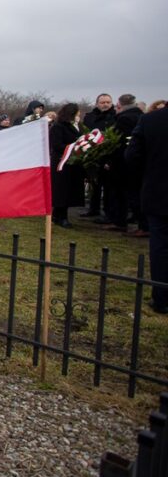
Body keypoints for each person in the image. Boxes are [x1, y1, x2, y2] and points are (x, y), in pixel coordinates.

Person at [125, 105, 168, 313]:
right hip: (158, 193)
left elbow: (133, 156)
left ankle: (162, 298)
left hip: (159, 191)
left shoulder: (151, 120)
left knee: (161, 246)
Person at [103, 94, 143, 234]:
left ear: (119, 105)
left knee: (122, 194)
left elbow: (118, 142)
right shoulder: (141, 116)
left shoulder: (124, 119)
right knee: (130, 194)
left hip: (122, 162)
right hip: (136, 161)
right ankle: (134, 223)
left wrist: (109, 159)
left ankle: (121, 221)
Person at [50, 103, 85, 228]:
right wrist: (73, 147)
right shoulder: (58, 127)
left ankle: (57, 214)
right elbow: (57, 145)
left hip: (73, 163)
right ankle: (61, 216)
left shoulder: (78, 126)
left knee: (69, 189)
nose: (79, 115)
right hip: (62, 162)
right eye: (77, 113)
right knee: (62, 190)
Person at [81, 93, 116, 220]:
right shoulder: (90, 117)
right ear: (97, 104)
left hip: (108, 154)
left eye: (108, 102)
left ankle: (108, 212)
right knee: (94, 184)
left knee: (107, 186)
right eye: (103, 102)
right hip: (92, 154)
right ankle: (93, 208)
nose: (106, 104)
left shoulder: (115, 117)